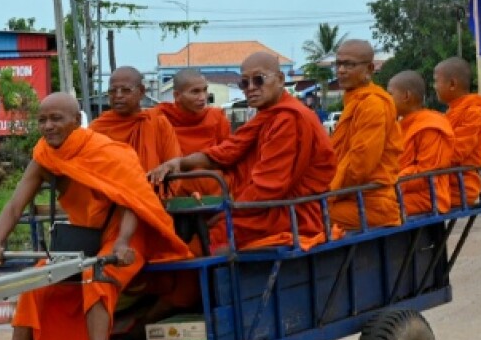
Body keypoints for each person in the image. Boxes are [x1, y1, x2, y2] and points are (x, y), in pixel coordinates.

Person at [0, 93, 190, 340]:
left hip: (127, 233)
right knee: (34, 282)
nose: (48, 126)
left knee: (97, 277)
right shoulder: (45, 155)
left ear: (76, 121)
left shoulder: (109, 151)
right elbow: (15, 205)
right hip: (85, 237)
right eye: (43, 120)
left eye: (56, 119)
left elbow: (132, 201)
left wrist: (122, 243)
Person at [149, 52, 337, 250]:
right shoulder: (266, 116)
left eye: (258, 80)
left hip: (288, 213)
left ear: (280, 79)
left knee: (203, 243)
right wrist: (178, 163)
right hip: (260, 207)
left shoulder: (289, 119)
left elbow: (269, 187)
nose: (251, 89)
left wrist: (227, 212)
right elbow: (226, 152)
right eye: (244, 83)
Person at [329, 39, 402, 229]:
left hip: (372, 203)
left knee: (304, 218)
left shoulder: (373, 105)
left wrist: (327, 194)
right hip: (352, 197)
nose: (341, 70)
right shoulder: (354, 101)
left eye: (349, 64)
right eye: (338, 64)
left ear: (369, 69)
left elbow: (359, 165)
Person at [152, 68, 231, 196]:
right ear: (177, 96)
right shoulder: (160, 118)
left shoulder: (217, 118)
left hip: (216, 193)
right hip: (173, 194)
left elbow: (228, 157)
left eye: (205, 90)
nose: (203, 97)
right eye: (195, 92)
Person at [388, 70, 456, 216]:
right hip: (401, 190)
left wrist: (392, 180)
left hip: (428, 196)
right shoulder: (399, 126)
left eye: (390, 95)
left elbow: (426, 172)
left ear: (406, 96)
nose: (387, 101)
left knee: (372, 208)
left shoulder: (430, 125)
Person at [91, 66, 182, 171]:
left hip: (150, 186)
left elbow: (174, 166)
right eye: (112, 91)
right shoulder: (98, 128)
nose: (118, 95)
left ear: (142, 92)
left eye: (126, 90)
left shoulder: (158, 123)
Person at [434, 56, 481, 207]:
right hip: (447, 180)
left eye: (436, 81)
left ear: (452, 84)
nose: (434, 86)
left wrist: (428, 157)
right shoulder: (453, 111)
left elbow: (458, 150)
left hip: (461, 184)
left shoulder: (472, 110)